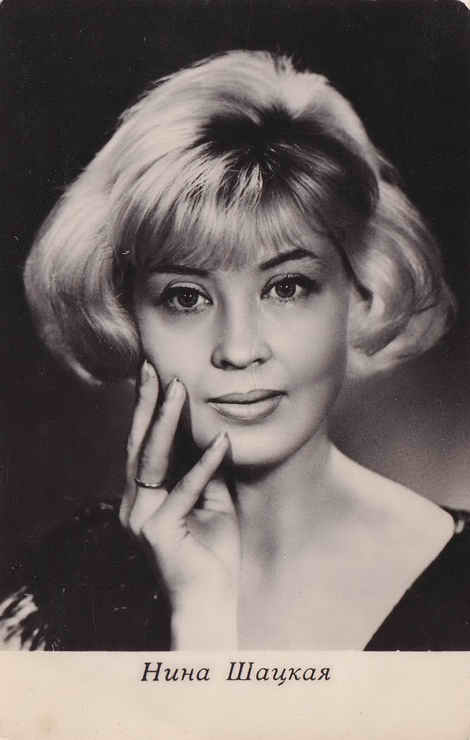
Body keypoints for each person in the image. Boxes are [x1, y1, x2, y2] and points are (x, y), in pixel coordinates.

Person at [1, 50, 467, 651]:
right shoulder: (66, 588)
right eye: (186, 297)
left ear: (358, 294)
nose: (239, 349)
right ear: (127, 316)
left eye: (287, 287)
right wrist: (200, 617)